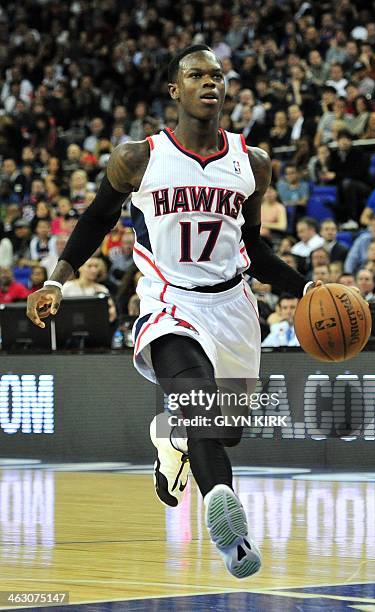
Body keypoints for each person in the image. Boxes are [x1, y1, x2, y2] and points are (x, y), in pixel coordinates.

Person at [26, 45, 318, 579]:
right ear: (174, 91)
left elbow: (253, 248)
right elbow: (94, 220)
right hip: (169, 303)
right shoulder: (138, 157)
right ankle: (230, 528)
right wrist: (55, 280)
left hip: (232, 307)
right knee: (202, 405)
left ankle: (171, 436)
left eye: (217, 75)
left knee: (223, 431)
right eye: (195, 75)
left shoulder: (252, 163)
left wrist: (308, 286)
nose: (209, 82)